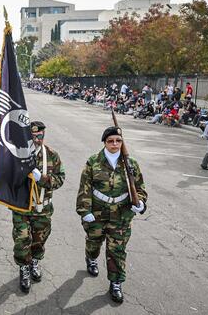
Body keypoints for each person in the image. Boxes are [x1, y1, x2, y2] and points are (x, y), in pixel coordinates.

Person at [76, 126, 148, 303]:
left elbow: (140, 188)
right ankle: (91, 258)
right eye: (110, 141)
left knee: (117, 250)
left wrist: (141, 203)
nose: (115, 144)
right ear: (104, 142)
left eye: (118, 140)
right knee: (94, 243)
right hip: (97, 213)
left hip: (121, 215)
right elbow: (84, 188)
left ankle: (116, 283)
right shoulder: (93, 161)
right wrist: (84, 211)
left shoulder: (131, 164)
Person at [12, 121, 65, 294]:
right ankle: (23, 268)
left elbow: (60, 179)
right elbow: (7, 178)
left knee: (39, 239)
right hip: (22, 208)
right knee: (22, 240)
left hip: (43, 208)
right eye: (33, 136)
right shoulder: (17, 155)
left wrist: (42, 178)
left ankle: (35, 261)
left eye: (40, 135)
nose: (37, 139)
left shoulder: (51, 155)